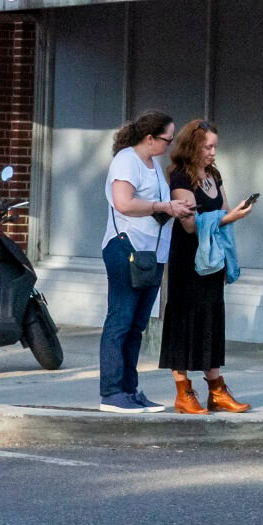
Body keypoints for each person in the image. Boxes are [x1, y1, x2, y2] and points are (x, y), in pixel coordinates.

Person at [100, 110, 194, 414]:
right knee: (121, 320)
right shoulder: (127, 160)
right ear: (150, 138)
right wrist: (161, 205)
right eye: (167, 139)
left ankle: (130, 389)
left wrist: (173, 208)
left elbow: (154, 208)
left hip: (151, 253)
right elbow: (123, 202)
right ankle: (112, 392)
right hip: (126, 249)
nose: (169, 145)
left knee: (137, 324)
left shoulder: (153, 165)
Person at [159, 119, 256, 414]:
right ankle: (183, 392)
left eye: (215, 146)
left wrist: (231, 214)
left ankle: (217, 389)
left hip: (212, 259)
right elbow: (189, 225)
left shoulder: (213, 174)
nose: (213, 152)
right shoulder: (179, 177)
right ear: (192, 146)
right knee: (184, 318)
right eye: (208, 147)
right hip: (187, 259)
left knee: (212, 318)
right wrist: (230, 218)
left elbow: (221, 209)